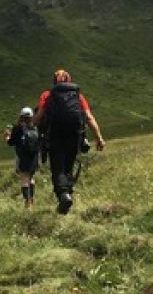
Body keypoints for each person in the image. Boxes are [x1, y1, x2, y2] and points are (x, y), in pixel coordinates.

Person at [31, 69, 106, 214]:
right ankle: (67, 196)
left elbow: (39, 116)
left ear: (54, 82)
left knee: (57, 167)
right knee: (68, 166)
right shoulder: (78, 96)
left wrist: (29, 128)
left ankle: (64, 196)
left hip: (55, 135)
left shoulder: (48, 95)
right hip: (74, 135)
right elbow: (89, 117)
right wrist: (99, 138)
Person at [5, 106, 40, 207]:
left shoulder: (18, 128)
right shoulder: (35, 126)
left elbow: (11, 143)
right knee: (31, 178)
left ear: (21, 116)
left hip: (22, 156)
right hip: (34, 156)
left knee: (24, 178)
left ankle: (27, 202)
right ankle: (32, 199)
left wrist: (7, 137)